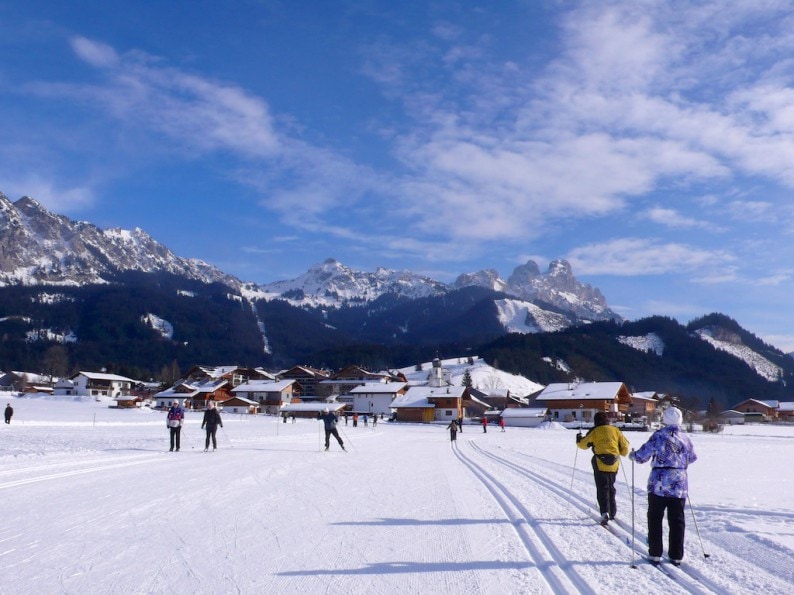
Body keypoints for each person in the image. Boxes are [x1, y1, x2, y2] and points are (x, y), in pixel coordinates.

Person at [630, 406, 697, 566]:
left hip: (658, 483)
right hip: (679, 484)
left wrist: (633, 455)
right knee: (677, 519)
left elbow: (641, 456)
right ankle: (676, 555)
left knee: (655, 517)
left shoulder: (659, 436)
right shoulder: (686, 438)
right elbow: (693, 458)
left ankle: (655, 553)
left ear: (665, 419)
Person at [576, 411, 630, 525]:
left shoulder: (595, 431)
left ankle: (605, 512)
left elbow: (583, 445)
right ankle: (613, 512)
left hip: (600, 463)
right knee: (611, 486)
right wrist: (619, 452)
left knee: (602, 488)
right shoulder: (615, 430)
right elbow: (625, 448)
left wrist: (578, 439)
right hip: (614, 463)